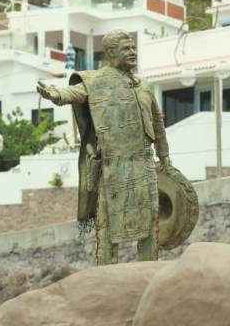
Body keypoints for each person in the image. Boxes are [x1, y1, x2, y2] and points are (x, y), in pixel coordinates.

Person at [36, 30, 169, 265]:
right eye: (126, 49)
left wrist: (165, 155)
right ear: (110, 53)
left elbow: (157, 122)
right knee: (107, 224)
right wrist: (56, 94)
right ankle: (105, 271)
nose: (132, 52)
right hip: (113, 165)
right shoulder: (96, 82)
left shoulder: (144, 87)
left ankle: (149, 267)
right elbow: (74, 93)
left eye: (133, 48)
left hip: (144, 162)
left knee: (149, 221)